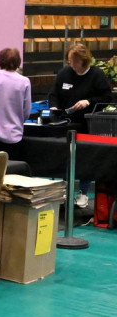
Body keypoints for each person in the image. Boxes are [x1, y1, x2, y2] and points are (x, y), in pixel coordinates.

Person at [49, 43, 113, 207]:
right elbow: (54, 94)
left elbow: (106, 97)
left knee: (86, 158)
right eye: (69, 61)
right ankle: (63, 190)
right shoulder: (64, 74)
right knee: (65, 157)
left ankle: (83, 193)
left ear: (83, 61)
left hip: (87, 124)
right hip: (65, 123)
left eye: (74, 61)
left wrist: (88, 102)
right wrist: (53, 106)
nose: (71, 64)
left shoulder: (96, 75)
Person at [0, 47, 32, 161]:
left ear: (0, 60)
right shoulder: (25, 81)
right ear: (19, 61)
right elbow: (27, 109)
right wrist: (20, 120)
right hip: (15, 134)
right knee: (12, 171)